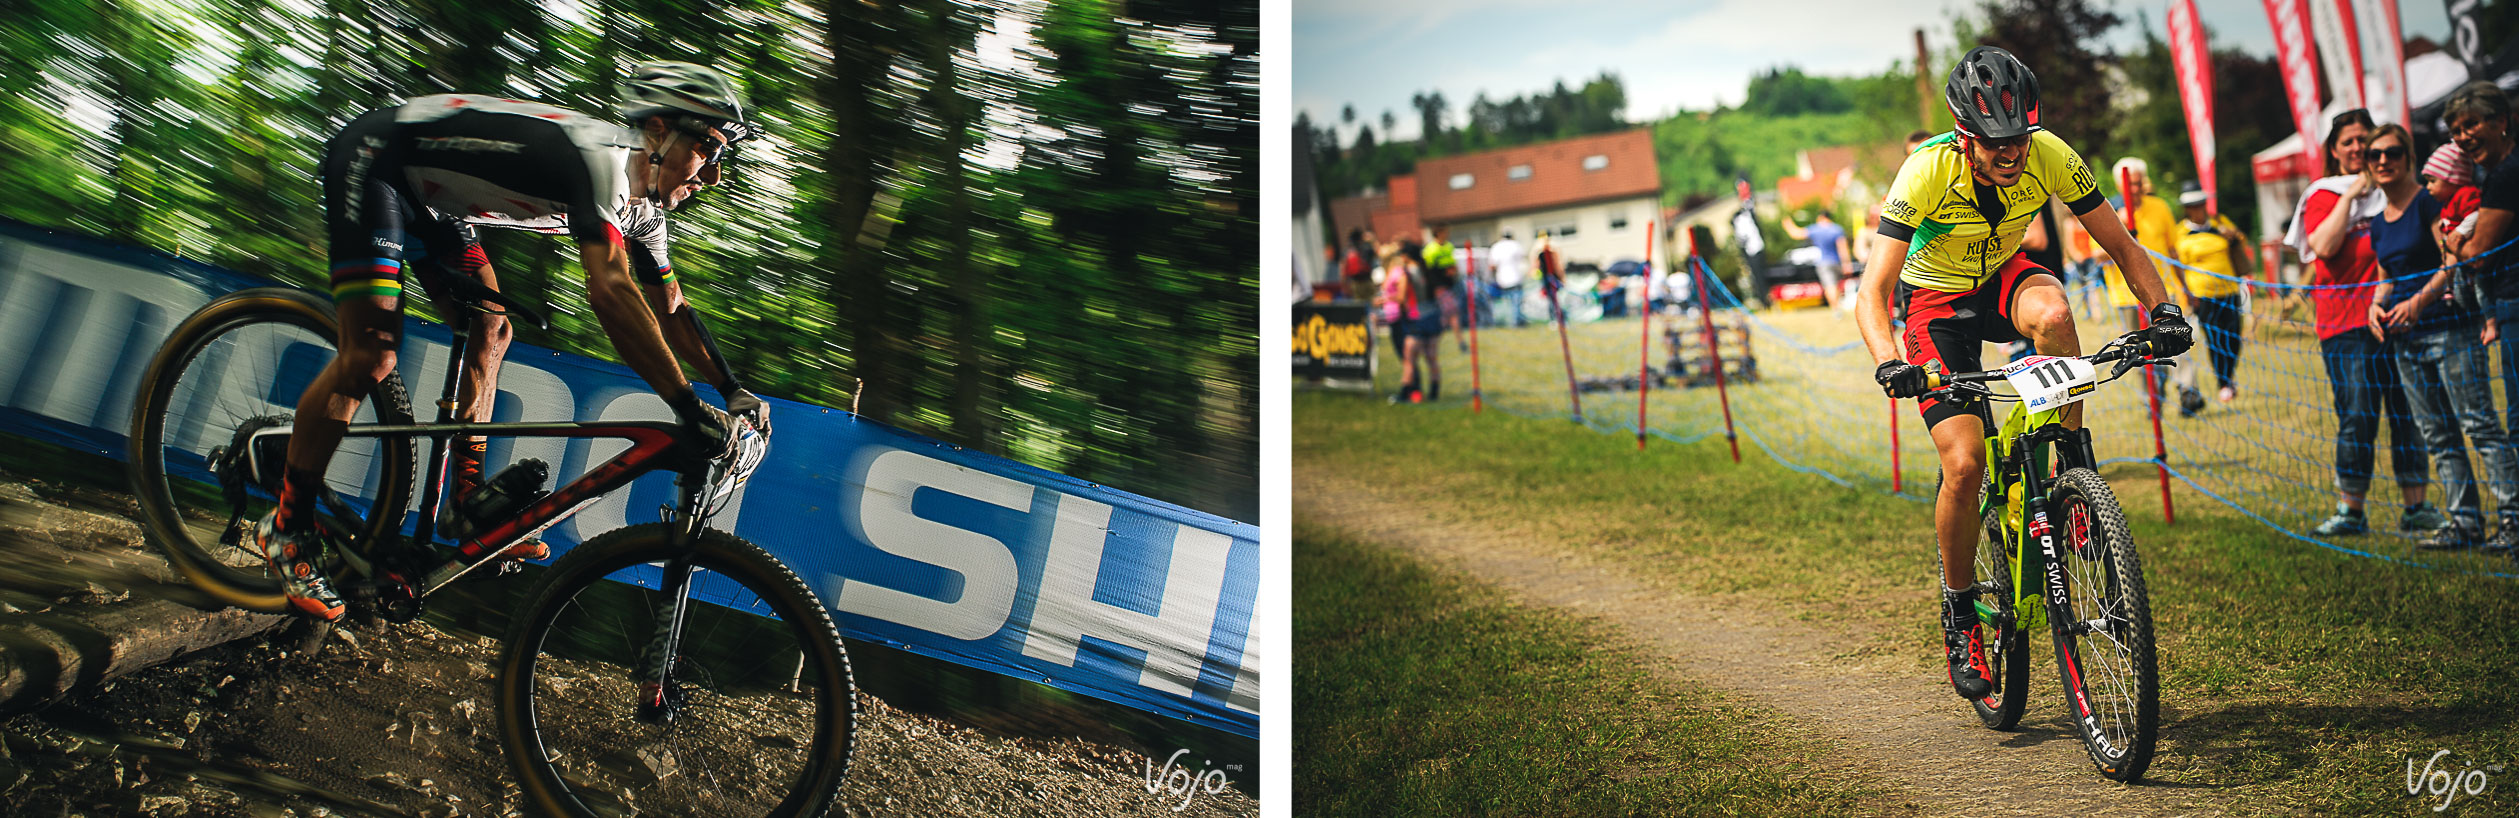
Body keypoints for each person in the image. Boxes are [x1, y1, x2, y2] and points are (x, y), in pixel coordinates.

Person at [264, 62, 768, 620]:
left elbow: (670, 310)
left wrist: (731, 388)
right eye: (709, 150)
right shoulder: (601, 163)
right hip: (376, 162)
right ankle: (288, 526)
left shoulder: (642, 211)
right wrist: (686, 403)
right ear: (656, 132)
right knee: (372, 354)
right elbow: (610, 290)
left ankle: (464, 504)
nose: (715, 175)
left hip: (434, 199)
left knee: (492, 329)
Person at [1858, 47, 2192, 701]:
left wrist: (2164, 310)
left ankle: (2067, 471)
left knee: (2056, 311)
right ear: (1964, 137)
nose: (2010, 154)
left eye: (2017, 138)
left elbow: (2119, 245)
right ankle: (1960, 618)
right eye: (1994, 143)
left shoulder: (2050, 153)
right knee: (1964, 463)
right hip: (1936, 306)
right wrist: (1889, 365)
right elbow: (1871, 291)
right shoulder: (1924, 172)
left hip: (2003, 280)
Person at [2349, 124, 2514, 551]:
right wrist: (2376, 304)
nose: (2383, 161)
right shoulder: (2380, 222)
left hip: (2447, 329)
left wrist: (2419, 303)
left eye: (2392, 153)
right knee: (2438, 435)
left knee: (2479, 426)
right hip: (2404, 340)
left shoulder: (2428, 203)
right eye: (2374, 155)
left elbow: (2451, 259)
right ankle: (2465, 523)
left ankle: (2513, 519)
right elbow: (2387, 273)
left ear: (2409, 159)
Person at [2286, 107, 2444, 538]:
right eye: (2349, 141)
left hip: (2397, 317)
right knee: (2357, 416)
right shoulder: (2323, 192)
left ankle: (2416, 507)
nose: (2358, 148)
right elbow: (2323, 245)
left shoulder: (2396, 189)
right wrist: (2352, 194)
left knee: (2408, 412)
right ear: (2334, 151)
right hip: (2345, 326)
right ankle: (2351, 510)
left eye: (2365, 140)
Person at [2445, 81, 2519, 555]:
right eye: (2456, 129)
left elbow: (2478, 257)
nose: (2464, 135)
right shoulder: (2495, 174)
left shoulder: (2506, 174)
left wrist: (2454, 242)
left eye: (2472, 124)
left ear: (2501, 122)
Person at [2170, 180, 2252, 410]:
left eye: (2201, 203)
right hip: (2203, 295)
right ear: (2187, 209)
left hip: (2229, 291)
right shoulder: (2180, 233)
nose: (2198, 208)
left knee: (2234, 337)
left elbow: (2242, 240)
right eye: (2193, 205)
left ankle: (2228, 375)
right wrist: (2188, 295)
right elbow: (2178, 267)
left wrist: (2233, 235)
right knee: (2216, 340)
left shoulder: (2220, 222)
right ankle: (2224, 382)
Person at [1781, 210, 1852, 313]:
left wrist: (1787, 223)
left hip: (1823, 263)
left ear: (1820, 217)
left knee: (1829, 286)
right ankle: (1837, 306)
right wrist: (1846, 264)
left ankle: (1835, 308)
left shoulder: (1816, 229)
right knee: (1835, 285)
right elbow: (1843, 248)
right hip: (1836, 262)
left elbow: (1796, 234)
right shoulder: (1837, 229)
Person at [1488, 231, 1530, 327]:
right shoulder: (1516, 245)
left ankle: (1512, 321)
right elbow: (1523, 259)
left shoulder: (1496, 247)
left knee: (1507, 303)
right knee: (1517, 302)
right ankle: (1516, 322)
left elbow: (1492, 265)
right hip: (1516, 278)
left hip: (1501, 279)